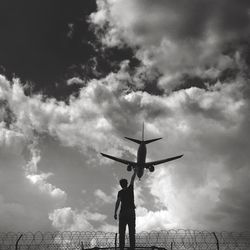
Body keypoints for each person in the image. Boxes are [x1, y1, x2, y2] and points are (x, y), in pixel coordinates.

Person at [114, 168, 137, 250]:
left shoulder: (120, 192)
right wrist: (135, 172)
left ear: (121, 185)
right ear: (127, 184)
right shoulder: (130, 188)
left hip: (123, 213)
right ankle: (132, 248)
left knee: (122, 233)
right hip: (131, 212)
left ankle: (121, 248)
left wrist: (115, 213)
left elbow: (118, 202)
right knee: (132, 233)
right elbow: (132, 179)